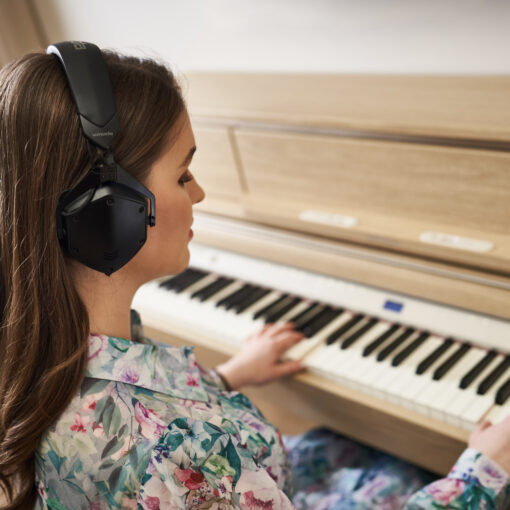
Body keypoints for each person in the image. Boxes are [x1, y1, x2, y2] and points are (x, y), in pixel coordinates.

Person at [0, 46, 509, 510]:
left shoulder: (46, 344)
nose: (198, 194)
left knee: (351, 443)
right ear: (109, 212)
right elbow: (169, 460)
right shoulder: (166, 454)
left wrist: (226, 378)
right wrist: (482, 474)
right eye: (182, 175)